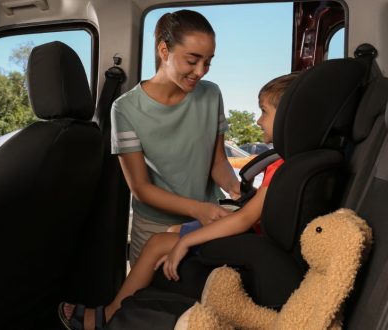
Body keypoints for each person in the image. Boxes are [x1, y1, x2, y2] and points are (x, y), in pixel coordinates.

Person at [59, 73, 299, 330]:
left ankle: (107, 316)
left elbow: (243, 219)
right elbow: (141, 187)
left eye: (264, 112)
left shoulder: (282, 167)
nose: (258, 120)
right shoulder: (294, 162)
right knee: (170, 233)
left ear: (288, 115)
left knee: (159, 243)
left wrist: (187, 241)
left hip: (255, 246)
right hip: (257, 240)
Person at [111, 9, 240, 267]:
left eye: (208, 61)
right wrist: (197, 209)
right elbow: (141, 188)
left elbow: (217, 162)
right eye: (192, 60)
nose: (201, 71)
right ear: (163, 51)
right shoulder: (125, 108)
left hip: (203, 224)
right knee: (141, 302)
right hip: (153, 227)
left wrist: (238, 191)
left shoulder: (212, 94)